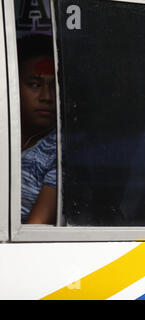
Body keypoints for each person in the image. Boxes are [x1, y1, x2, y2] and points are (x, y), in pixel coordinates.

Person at [18, 34, 57, 224]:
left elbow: (35, 227)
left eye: (55, 86)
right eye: (34, 85)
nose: (46, 96)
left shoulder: (58, 149)